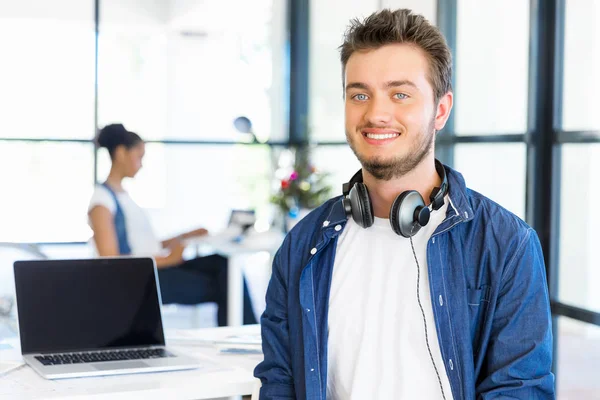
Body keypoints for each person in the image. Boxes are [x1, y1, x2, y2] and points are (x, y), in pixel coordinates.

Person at [254, 8, 554, 400]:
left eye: (400, 94)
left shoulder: (506, 244)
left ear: (441, 110)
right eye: (359, 94)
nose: (376, 113)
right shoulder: (303, 245)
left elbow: (520, 390)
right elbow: (280, 382)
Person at [88, 123, 257, 326]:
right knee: (228, 285)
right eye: (139, 156)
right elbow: (111, 261)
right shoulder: (102, 202)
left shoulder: (122, 195)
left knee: (225, 264)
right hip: (143, 278)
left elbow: (144, 244)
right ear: (121, 153)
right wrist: (169, 259)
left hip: (158, 265)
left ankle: (248, 335)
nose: (141, 164)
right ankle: (245, 338)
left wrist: (184, 236)